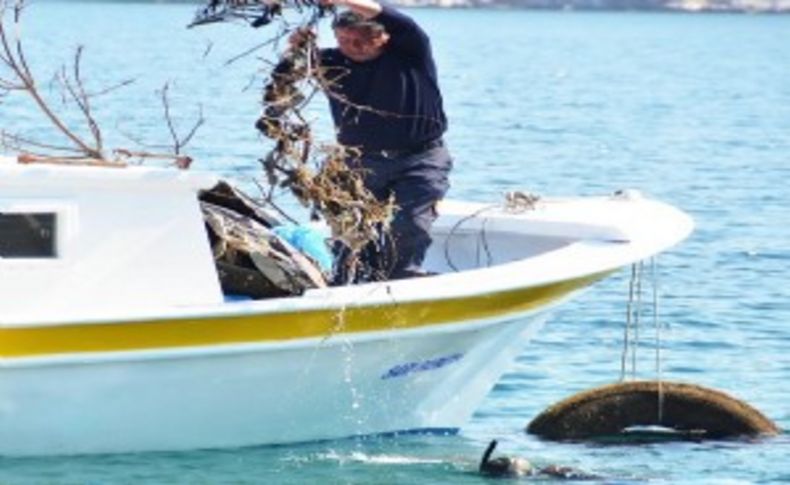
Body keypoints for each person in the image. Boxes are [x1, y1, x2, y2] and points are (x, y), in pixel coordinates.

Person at [315, 0, 452, 283]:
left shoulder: (410, 52)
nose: (353, 46)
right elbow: (283, 77)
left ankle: (402, 278)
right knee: (350, 232)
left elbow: (399, 20)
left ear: (383, 36)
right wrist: (296, 49)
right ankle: (347, 282)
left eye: (363, 40)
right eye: (344, 39)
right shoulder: (330, 62)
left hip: (421, 157)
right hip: (359, 161)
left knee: (410, 223)